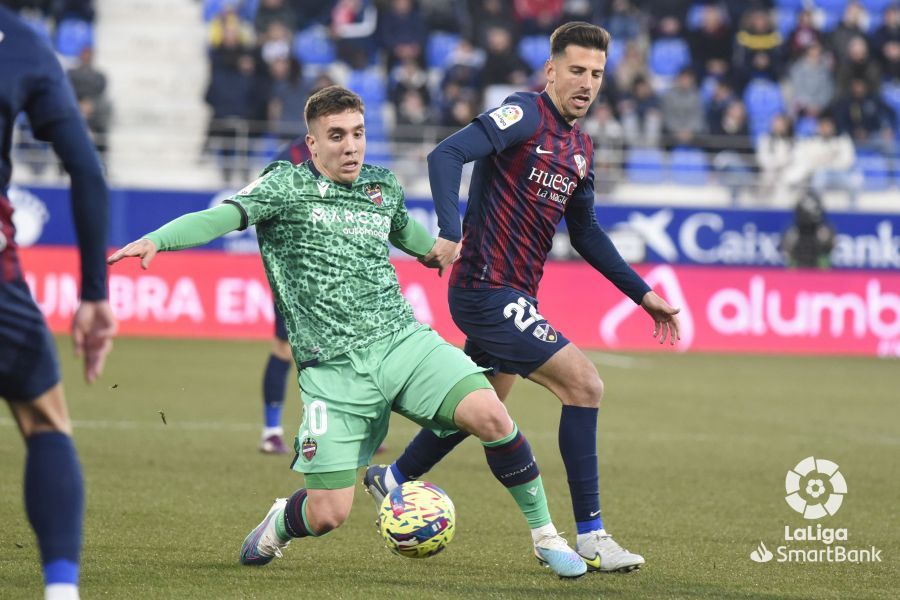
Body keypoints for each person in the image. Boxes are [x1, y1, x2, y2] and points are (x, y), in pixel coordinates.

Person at [107, 86, 588, 578]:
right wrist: (158, 240)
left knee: (491, 414)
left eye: (357, 133)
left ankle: (546, 537)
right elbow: (222, 216)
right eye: (336, 136)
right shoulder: (283, 186)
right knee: (328, 513)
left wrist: (450, 250)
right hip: (332, 371)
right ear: (312, 144)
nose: (350, 146)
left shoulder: (382, 188)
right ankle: (280, 523)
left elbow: (418, 243)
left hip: (402, 342)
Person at [365, 22, 681, 573]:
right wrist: (450, 229)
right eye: (577, 70)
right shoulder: (523, 114)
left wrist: (643, 294)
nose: (587, 83)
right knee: (584, 384)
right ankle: (591, 535)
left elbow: (585, 234)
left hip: (514, 294)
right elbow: (446, 155)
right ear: (551, 70)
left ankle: (391, 478)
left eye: (598, 74)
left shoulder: (580, 147)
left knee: (483, 406)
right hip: (486, 289)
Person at [0, 4, 117, 600]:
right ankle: (61, 592)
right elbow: (87, 172)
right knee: (45, 421)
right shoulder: (20, 41)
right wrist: (94, 293)